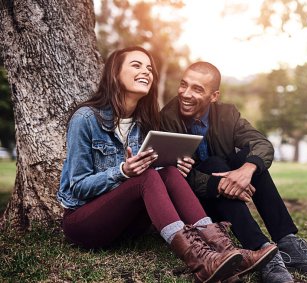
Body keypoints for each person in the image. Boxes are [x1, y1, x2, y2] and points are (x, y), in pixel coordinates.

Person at [57, 47, 278, 283]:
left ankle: (223, 250)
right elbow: (78, 187)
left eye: (149, 68)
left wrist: (175, 167)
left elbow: (158, 177)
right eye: (136, 65)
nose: (146, 72)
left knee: (170, 172)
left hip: (127, 227)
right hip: (85, 224)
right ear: (114, 73)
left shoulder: (145, 124)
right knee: (147, 178)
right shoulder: (86, 119)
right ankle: (201, 260)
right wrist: (122, 172)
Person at [160, 61, 307, 283]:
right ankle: (263, 253)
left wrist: (247, 170)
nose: (185, 94)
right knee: (215, 164)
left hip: (226, 198)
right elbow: (174, 176)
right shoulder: (167, 118)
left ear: (214, 96)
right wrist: (223, 185)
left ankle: (287, 243)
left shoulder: (227, 114)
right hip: (197, 207)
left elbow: (262, 143)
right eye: (184, 85)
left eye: (197, 89)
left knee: (251, 159)